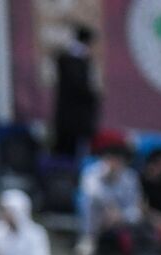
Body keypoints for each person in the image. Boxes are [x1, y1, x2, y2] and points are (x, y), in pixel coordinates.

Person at [77, 144, 143, 255]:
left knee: (137, 215)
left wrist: (120, 215)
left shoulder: (130, 177)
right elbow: (90, 192)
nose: (114, 164)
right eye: (111, 160)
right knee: (90, 202)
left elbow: (134, 205)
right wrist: (109, 206)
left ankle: (128, 252)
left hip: (120, 216)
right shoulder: (93, 171)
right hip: (99, 213)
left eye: (118, 161)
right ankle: (88, 241)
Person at [52, 26, 100, 158]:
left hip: (71, 119)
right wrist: (93, 96)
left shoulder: (68, 59)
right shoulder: (73, 62)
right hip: (73, 120)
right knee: (67, 155)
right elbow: (80, 88)